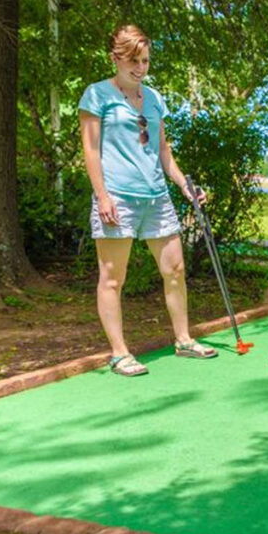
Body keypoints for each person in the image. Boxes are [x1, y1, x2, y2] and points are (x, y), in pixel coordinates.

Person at [79, 24, 217, 377]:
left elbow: (162, 150)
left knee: (175, 269)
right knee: (113, 278)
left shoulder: (154, 99)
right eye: (133, 61)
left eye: (145, 61)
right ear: (116, 59)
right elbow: (91, 150)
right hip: (118, 199)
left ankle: (184, 339)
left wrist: (184, 183)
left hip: (156, 197)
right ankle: (119, 353)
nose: (140, 68)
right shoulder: (97, 96)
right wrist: (102, 195)